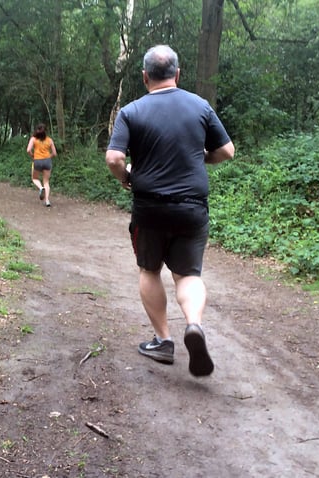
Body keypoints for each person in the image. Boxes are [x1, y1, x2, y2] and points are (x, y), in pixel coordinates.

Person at [105, 45, 235, 377]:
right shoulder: (200, 106)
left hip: (149, 208)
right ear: (177, 74)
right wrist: (199, 156)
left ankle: (163, 341)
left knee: (149, 271)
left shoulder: (131, 111)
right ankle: (194, 325)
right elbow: (227, 151)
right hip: (192, 207)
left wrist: (127, 179)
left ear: (144, 76)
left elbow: (114, 158)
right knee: (188, 275)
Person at [26, 123, 57, 207]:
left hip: (37, 161)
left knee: (34, 178)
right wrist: (48, 157)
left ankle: (40, 188)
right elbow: (54, 153)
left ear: (37, 130)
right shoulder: (49, 140)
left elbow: (28, 150)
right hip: (47, 161)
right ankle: (47, 201)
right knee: (46, 182)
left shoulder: (33, 139)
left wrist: (33, 155)